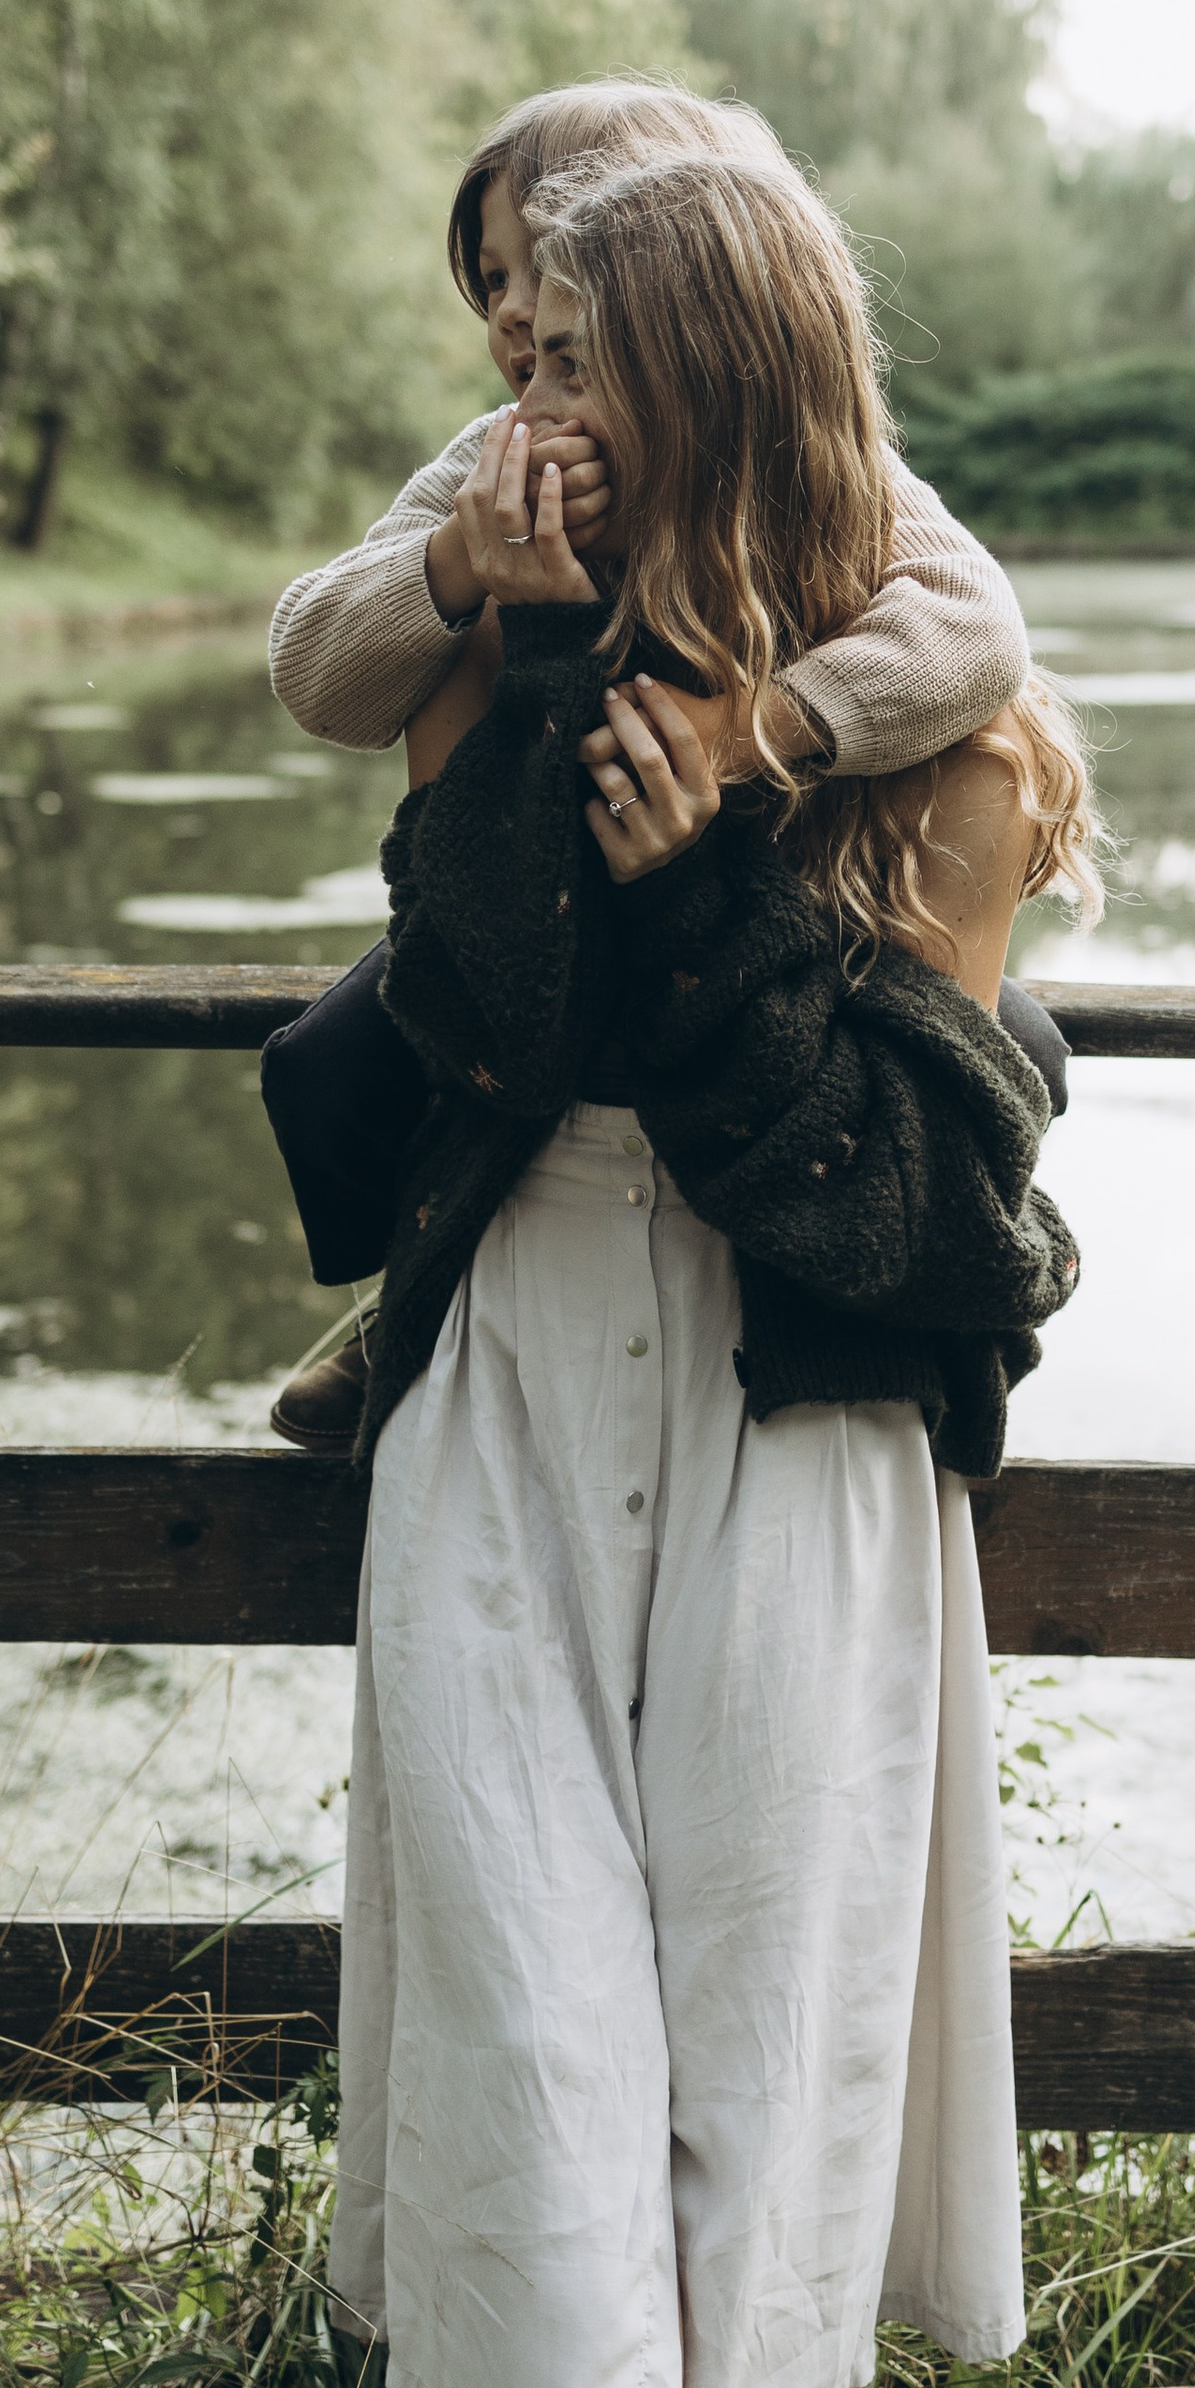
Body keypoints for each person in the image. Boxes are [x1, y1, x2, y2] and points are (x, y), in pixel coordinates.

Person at [324, 147, 1098, 2388]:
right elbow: (454, 1038)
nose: (528, 403)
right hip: (513, 1393)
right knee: (536, 2029)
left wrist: (713, 889)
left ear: (723, 379)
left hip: (799, 1425)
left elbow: (894, 1223)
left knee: (732, 2085)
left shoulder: (961, 752)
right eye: (518, 352)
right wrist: (526, 700)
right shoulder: (500, 652)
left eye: (580, 358)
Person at [263, 78, 1058, 1451]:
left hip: (769, 893)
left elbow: (976, 629)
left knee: (1014, 1056)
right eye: (495, 280)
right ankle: (408, 1294)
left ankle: (940, 1341)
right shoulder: (494, 459)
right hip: (550, 895)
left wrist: (754, 727)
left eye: (540, 268)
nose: (511, 318)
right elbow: (316, 669)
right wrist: (462, 564)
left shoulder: (814, 461)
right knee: (344, 1062)